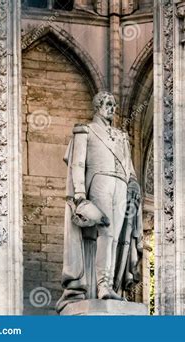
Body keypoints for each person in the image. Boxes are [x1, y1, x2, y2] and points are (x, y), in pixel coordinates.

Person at [56, 91, 143, 313]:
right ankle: (103, 285)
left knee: (115, 235)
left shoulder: (121, 136)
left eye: (114, 104)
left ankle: (111, 284)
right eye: (107, 104)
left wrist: (133, 183)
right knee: (105, 232)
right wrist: (79, 193)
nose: (111, 108)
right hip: (100, 180)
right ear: (97, 106)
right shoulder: (86, 130)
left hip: (120, 185)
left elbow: (129, 168)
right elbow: (77, 164)